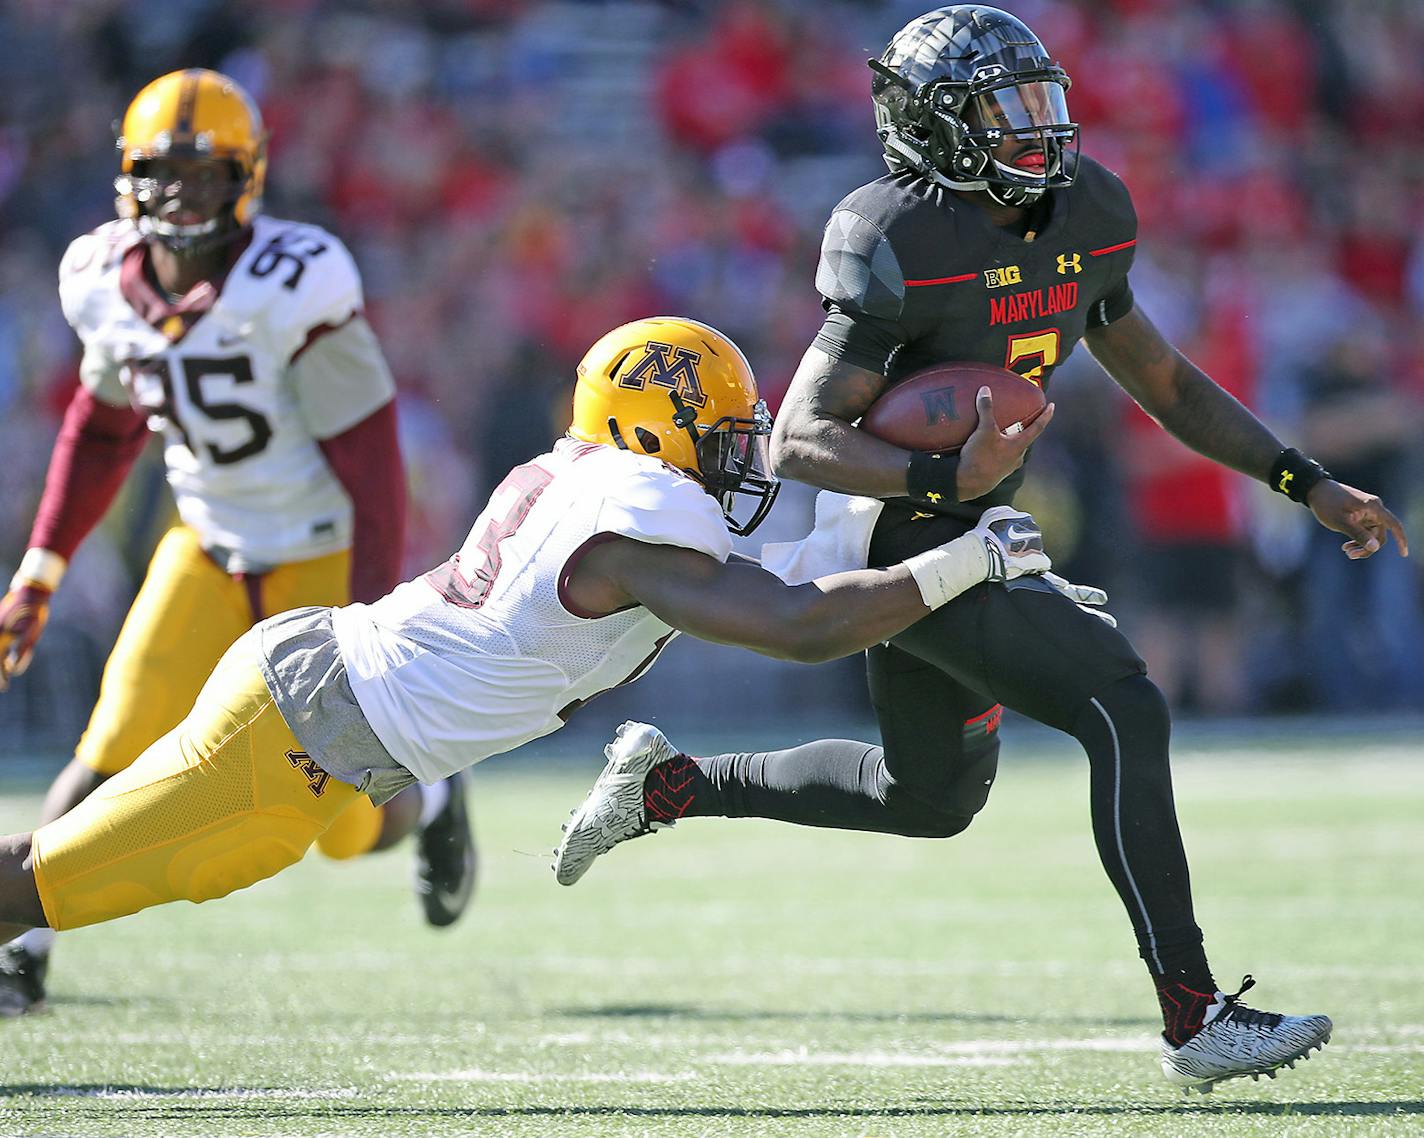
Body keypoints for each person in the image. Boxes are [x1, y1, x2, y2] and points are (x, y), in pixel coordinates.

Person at [552, 6, 1407, 1094]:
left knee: (927, 797)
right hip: (898, 519)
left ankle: (668, 784)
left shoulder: (1086, 209)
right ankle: (1194, 1015)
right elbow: (804, 434)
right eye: (1003, 109)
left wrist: (1302, 478)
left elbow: (1167, 383)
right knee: (1123, 704)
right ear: (931, 129)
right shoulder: (894, 235)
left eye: (1040, 99)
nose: (1036, 127)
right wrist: (936, 482)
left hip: (966, 512)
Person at [0, 317, 1063, 999]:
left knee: (97, 867)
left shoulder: (613, 485)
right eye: (719, 430)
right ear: (653, 426)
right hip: (301, 730)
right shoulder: (632, 514)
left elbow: (795, 557)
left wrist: (933, 493)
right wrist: (969, 556)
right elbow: (795, 624)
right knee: (56, 884)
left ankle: (432, 803)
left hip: (328, 713)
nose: (739, 451)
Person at [0, 69, 475, 1015]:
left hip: (324, 553)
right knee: (112, 740)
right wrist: (40, 571)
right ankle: (21, 942)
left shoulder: (291, 281)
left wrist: (372, 611)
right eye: (162, 173)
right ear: (127, 176)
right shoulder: (100, 278)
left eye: (206, 175)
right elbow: (102, 428)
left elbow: (374, 462)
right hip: (208, 543)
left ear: (246, 178)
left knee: (345, 829)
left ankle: (431, 802)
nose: (182, 196)